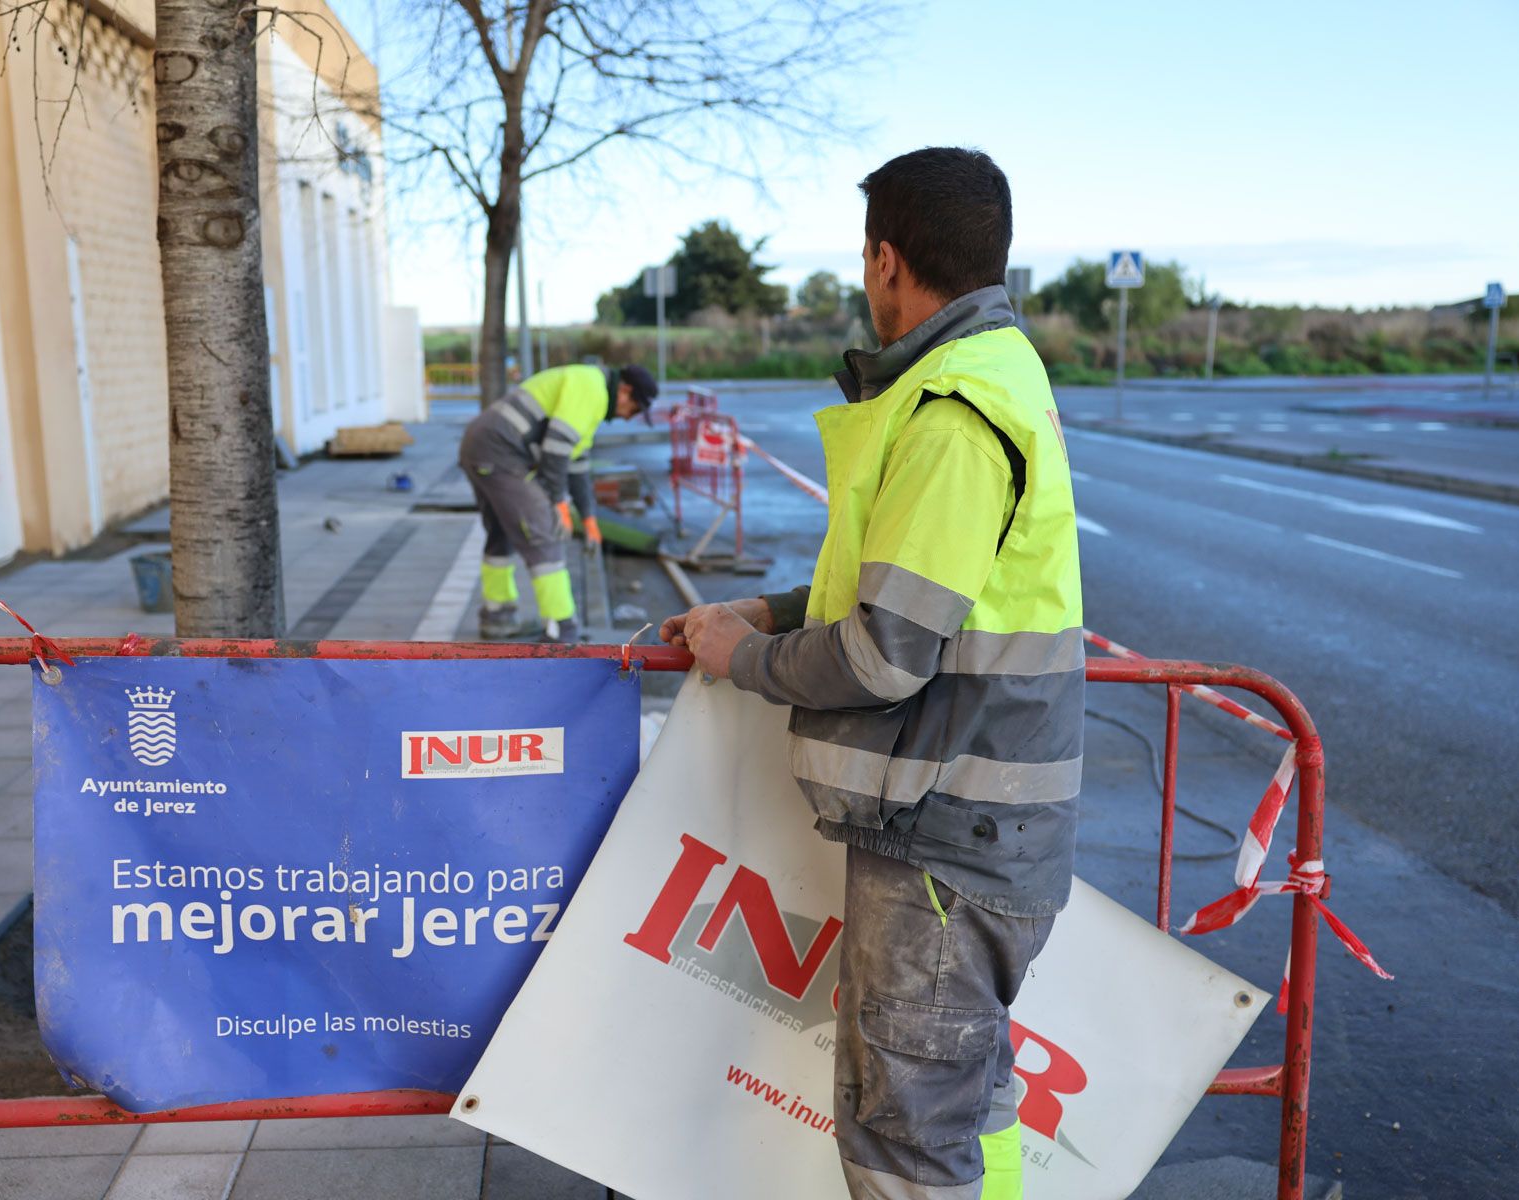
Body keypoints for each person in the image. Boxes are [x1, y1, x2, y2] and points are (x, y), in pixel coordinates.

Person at [661, 147, 1083, 1200]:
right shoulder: (994, 374)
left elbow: (884, 653)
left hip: (949, 841)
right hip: (979, 832)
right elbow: (912, 596)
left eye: (864, 257)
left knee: (904, 1143)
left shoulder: (951, 416)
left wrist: (745, 658)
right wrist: (765, 610)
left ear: (888, 260)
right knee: (969, 1105)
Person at [462, 363, 658, 640]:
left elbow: (576, 464)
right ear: (625, 391)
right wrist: (559, 505)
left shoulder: (591, 393)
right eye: (635, 409)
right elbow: (556, 450)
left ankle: (497, 616)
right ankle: (562, 628)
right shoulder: (593, 389)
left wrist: (589, 519)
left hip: (484, 446)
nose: (629, 418)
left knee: (501, 533)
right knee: (546, 533)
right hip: (500, 452)